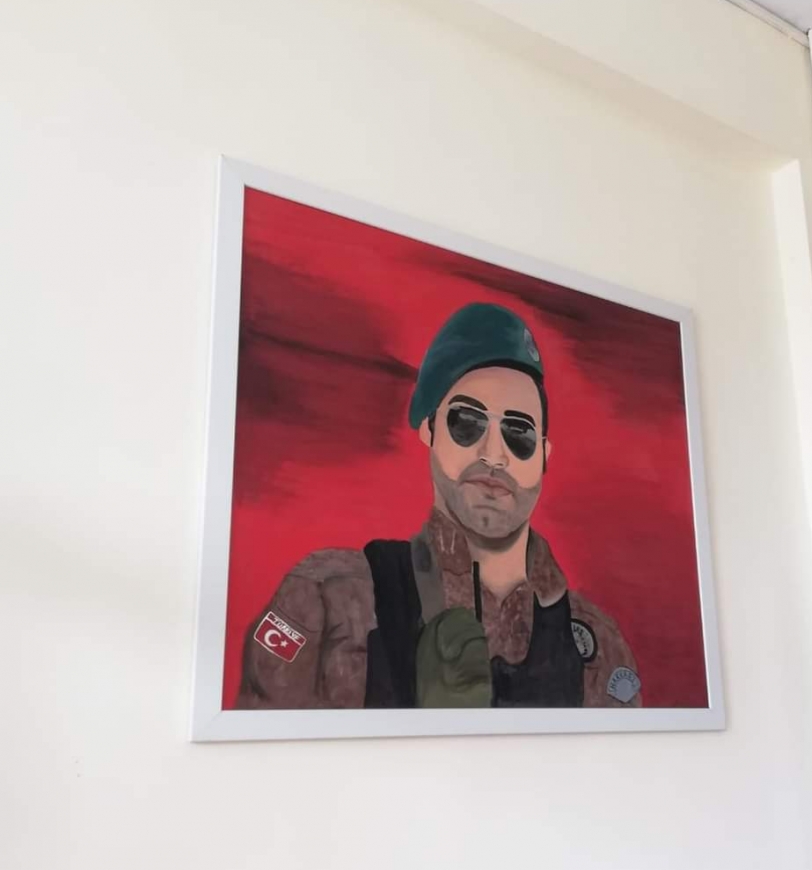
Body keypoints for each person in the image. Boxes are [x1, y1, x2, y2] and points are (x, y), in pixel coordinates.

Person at [236, 302, 642, 709]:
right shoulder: (328, 604)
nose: (494, 454)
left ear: (544, 456)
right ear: (429, 429)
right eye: (467, 422)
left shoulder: (598, 646)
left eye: (519, 433)